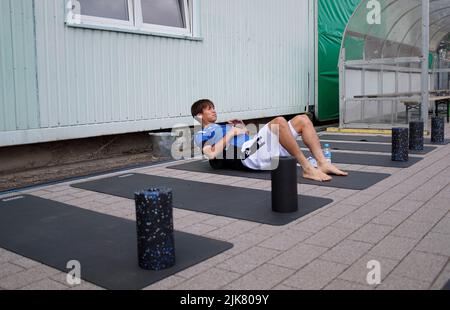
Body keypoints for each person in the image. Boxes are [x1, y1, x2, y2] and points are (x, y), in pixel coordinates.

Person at [191, 99, 348, 182]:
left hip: (254, 149)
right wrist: (231, 133)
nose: (214, 110)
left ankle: (322, 163)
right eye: (209, 108)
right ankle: (307, 168)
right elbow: (211, 154)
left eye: (213, 107)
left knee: (303, 119)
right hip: (247, 156)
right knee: (279, 121)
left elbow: (248, 137)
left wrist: (240, 127)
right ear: (199, 115)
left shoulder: (223, 126)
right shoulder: (202, 133)